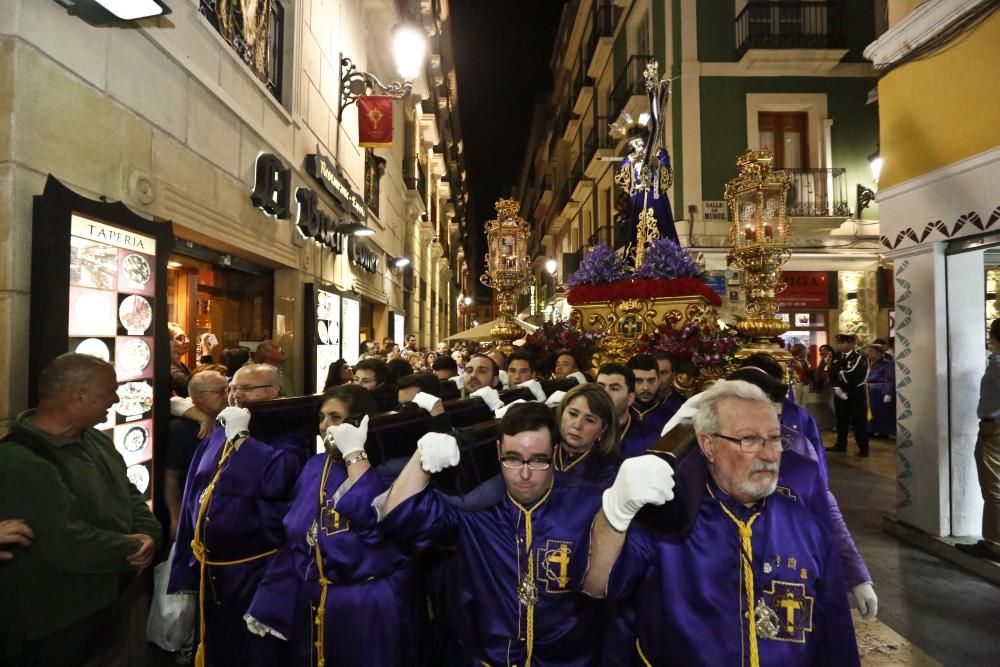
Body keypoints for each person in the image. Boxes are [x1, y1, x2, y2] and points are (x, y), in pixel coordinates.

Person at [582, 380, 860, 666]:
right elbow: (597, 584)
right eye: (748, 440)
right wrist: (614, 514)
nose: (768, 454)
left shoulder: (807, 529)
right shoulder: (668, 522)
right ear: (708, 445)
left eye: (774, 438)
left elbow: (836, 640)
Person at [377, 402, 607, 665]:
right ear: (498, 451)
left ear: (554, 452)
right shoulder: (476, 507)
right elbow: (396, 517)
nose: (524, 473)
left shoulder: (590, 503)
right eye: (512, 458)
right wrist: (421, 458)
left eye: (539, 460)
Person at [0, 353, 162, 667]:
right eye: (108, 392)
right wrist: (132, 548)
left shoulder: (95, 440)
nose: (115, 401)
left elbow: (128, 491)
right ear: (79, 396)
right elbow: (62, 540)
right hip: (55, 622)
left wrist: (149, 534)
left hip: (103, 604)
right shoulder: (19, 460)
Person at [244, 385, 422, 665]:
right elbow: (296, 538)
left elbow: (375, 524)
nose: (325, 426)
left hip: (366, 602)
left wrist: (355, 458)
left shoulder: (388, 467)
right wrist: (270, 599)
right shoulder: (315, 465)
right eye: (322, 418)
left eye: (335, 418)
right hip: (316, 599)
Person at [169, 364, 310, 667]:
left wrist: (242, 439)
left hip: (257, 570)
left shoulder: (289, 435)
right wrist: (185, 560)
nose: (235, 396)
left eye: (246, 389)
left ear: (273, 391)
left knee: (254, 651)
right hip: (212, 568)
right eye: (233, 388)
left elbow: (277, 478)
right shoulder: (218, 431)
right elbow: (196, 490)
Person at [729, 362, 878, 619]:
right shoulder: (704, 458)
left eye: (775, 419)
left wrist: (857, 575)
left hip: (787, 578)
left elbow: (822, 504)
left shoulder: (799, 456)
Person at [165, 368, 229, 540]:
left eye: (228, 389)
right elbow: (170, 476)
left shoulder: (226, 420)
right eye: (220, 391)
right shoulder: (180, 429)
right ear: (199, 397)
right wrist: (175, 517)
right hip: (193, 512)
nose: (227, 395)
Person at [958, 318, 1000, 560]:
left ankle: (994, 542)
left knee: (993, 485)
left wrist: (992, 421)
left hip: (993, 428)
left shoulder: (996, 362)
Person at [554, 383, 621, 486]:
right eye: (573, 414)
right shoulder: (539, 449)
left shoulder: (611, 470)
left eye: (589, 420)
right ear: (562, 412)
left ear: (603, 429)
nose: (577, 425)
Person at [624, 354, 682, 457]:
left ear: (659, 380)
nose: (645, 387)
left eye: (651, 380)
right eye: (639, 381)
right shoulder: (618, 416)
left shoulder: (673, 420)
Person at [828, 333, 871, 457]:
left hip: (855, 393)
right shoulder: (836, 358)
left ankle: (863, 448)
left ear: (852, 344)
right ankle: (841, 444)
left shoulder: (859, 358)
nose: (840, 345)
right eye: (839, 343)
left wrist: (844, 387)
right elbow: (832, 373)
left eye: (843, 343)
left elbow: (858, 375)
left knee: (859, 421)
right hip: (839, 394)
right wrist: (836, 388)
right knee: (841, 420)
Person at [865, 342, 896, 438]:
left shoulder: (887, 363)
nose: (869, 353)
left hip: (880, 390)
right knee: (870, 411)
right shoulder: (867, 362)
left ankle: (883, 431)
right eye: (868, 351)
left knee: (881, 412)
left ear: (879, 352)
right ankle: (871, 430)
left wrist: (888, 393)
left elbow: (889, 378)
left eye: (872, 351)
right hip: (868, 390)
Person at [170, 322, 192, 397]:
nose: (187, 341)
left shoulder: (180, 364)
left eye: (186, 337)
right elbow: (194, 388)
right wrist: (206, 353)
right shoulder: (168, 368)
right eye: (180, 338)